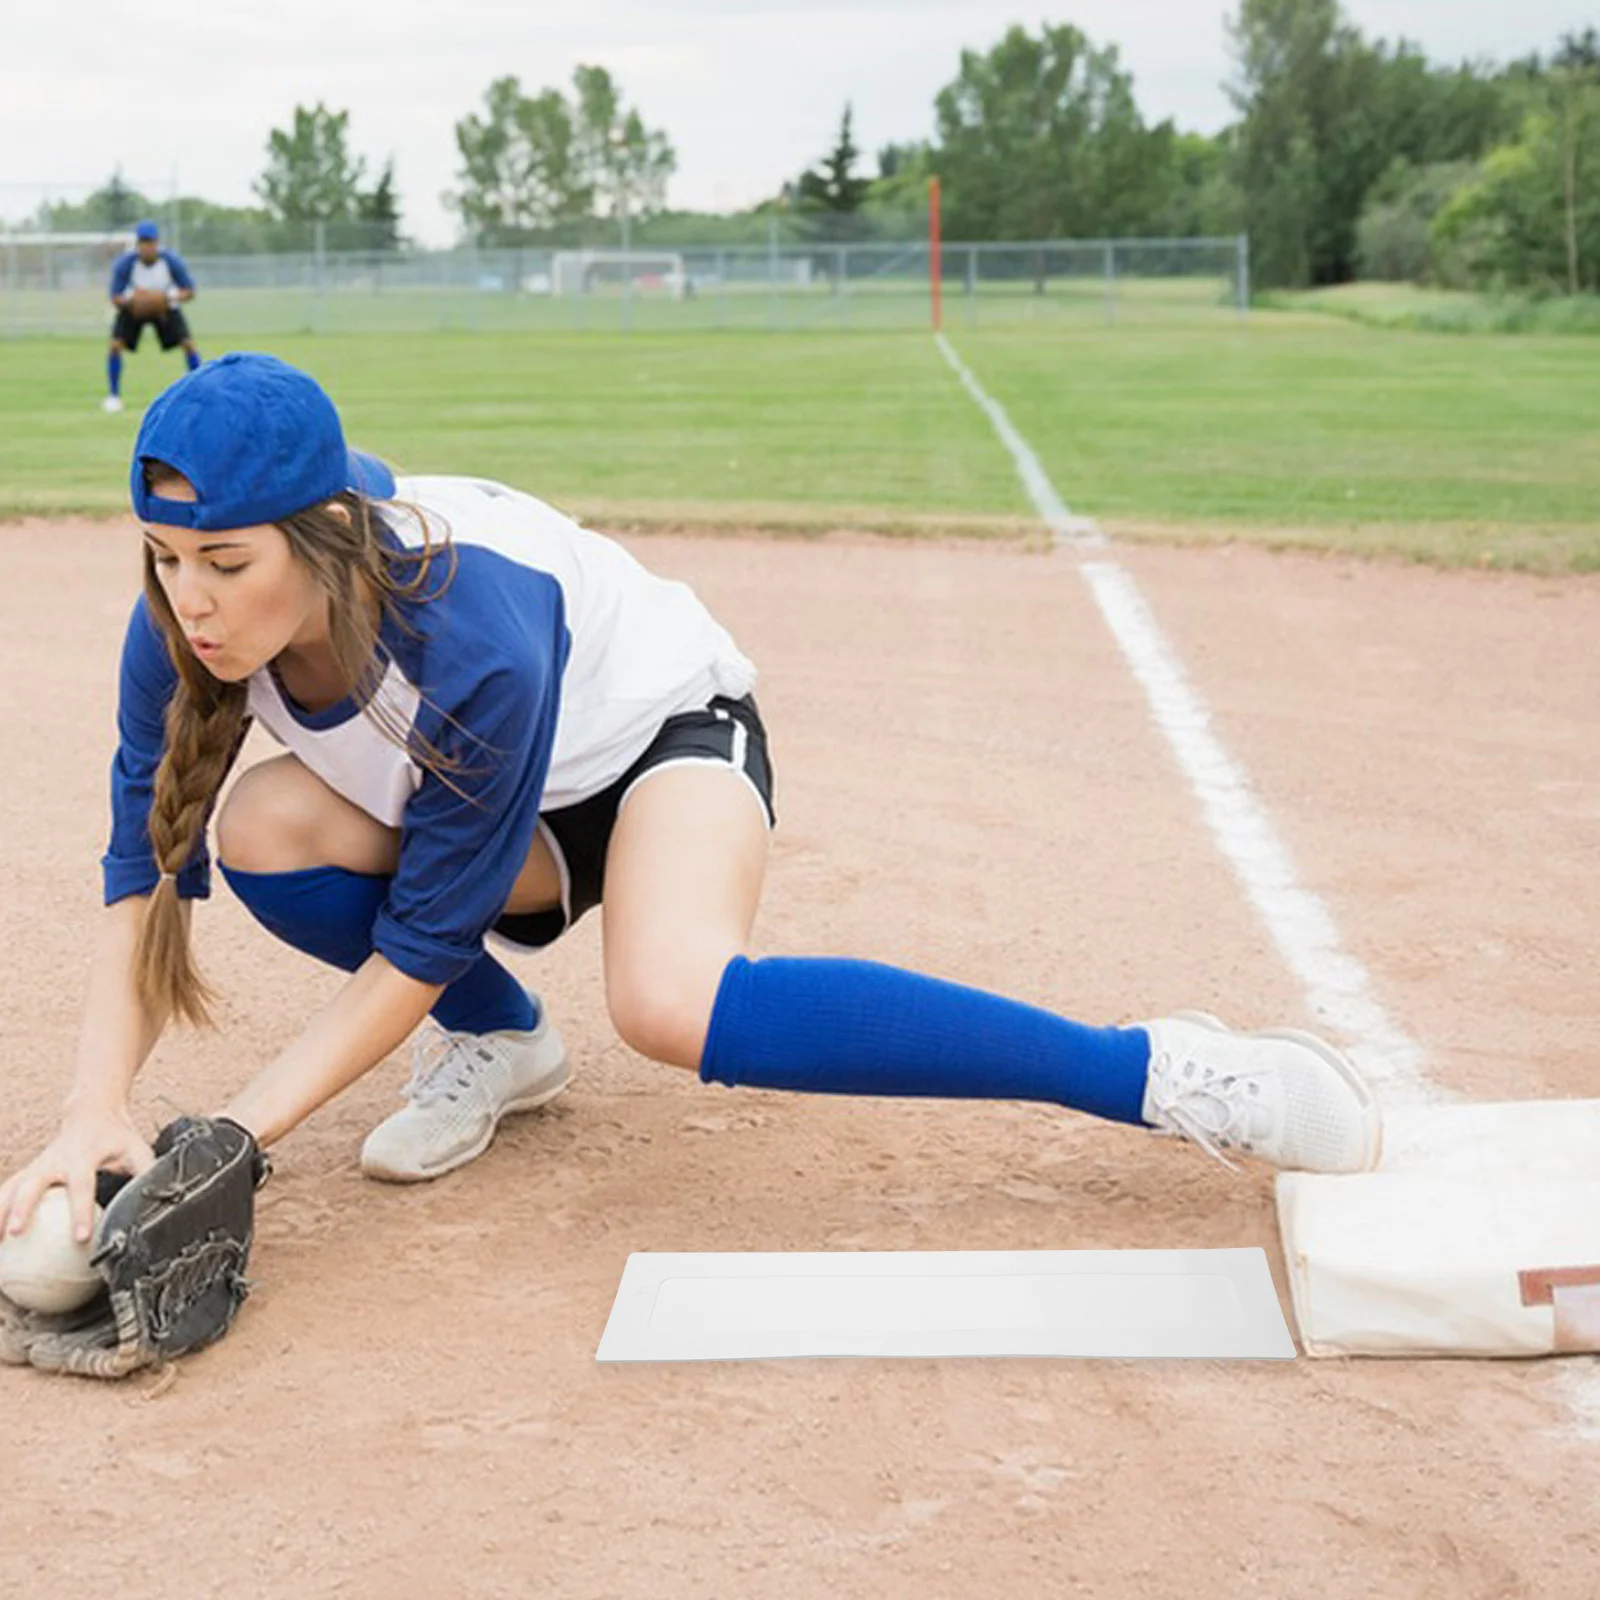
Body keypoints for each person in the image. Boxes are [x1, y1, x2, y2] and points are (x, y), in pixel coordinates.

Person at [0, 352, 1382, 1248]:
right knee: (256, 832)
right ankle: (511, 1048)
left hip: (659, 744)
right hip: (505, 808)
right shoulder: (180, 630)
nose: (191, 599)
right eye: (167, 556)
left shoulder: (468, 619)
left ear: (325, 533)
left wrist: (229, 1136)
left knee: (673, 1002)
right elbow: (143, 876)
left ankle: (1161, 1071)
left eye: (226, 563)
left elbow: (421, 943)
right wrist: (93, 1111)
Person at [102, 220, 201, 414]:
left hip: (165, 307)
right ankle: (114, 396)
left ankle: (198, 392)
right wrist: (134, 301)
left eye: (151, 242)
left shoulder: (170, 261)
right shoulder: (126, 264)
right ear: (137, 244)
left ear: (157, 243)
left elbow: (189, 291)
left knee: (188, 344)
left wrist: (165, 297)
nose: (147, 247)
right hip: (134, 309)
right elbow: (115, 297)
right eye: (143, 242)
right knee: (115, 346)